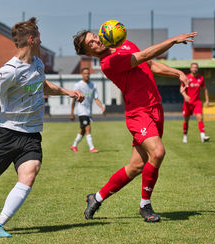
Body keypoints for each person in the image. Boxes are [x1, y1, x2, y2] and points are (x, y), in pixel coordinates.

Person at [0, 17, 84, 238]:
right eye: (38, 36)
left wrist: (67, 92)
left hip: (31, 135)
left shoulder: (38, 64)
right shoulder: (9, 71)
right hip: (6, 134)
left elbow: (41, 85)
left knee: (30, 173)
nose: (41, 40)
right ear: (31, 39)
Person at [73, 29, 196, 222]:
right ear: (89, 54)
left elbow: (150, 64)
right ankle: (145, 205)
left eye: (95, 36)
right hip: (138, 113)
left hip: (156, 108)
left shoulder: (124, 44)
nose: (96, 40)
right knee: (157, 152)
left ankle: (96, 198)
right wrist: (172, 40)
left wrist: (177, 73)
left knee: (136, 166)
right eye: (91, 43)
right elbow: (145, 55)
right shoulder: (108, 63)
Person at [70, 67, 105, 153]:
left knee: (82, 130)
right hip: (81, 111)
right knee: (88, 128)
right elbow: (74, 100)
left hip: (88, 112)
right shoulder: (78, 85)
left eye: (88, 73)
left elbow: (96, 98)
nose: (87, 75)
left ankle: (74, 145)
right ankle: (91, 148)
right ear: (82, 74)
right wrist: (72, 112)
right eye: (85, 73)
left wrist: (101, 107)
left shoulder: (93, 85)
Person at [181, 63, 210, 143]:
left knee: (200, 117)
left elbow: (204, 89)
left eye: (196, 68)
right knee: (186, 120)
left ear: (197, 69)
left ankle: (203, 136)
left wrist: (207, 100)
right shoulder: (186, 77)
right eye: (193, 67)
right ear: (190, 69)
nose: (194, 69)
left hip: (197, 102)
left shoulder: (201, 78)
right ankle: (185, 136)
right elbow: (181, 88)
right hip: (188, 102)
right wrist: (185, 95)